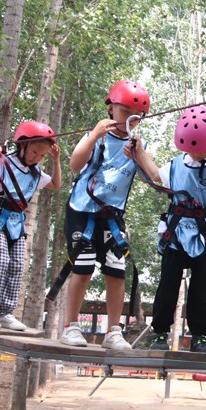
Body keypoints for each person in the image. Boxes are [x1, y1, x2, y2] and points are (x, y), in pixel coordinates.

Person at [132, 105, 206, 353]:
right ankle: (160, 333)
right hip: (176, 232)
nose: (196, 153)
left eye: (200, 148)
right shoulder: (177, 164)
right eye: (192, 148)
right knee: (167, 284)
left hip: (203, 235)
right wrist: (139, 152)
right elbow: (155, 174)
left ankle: (199, 336)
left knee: (202, 288)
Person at [60, 80, 149, 349]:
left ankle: (113, 331)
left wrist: (140, 155)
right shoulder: (96, 137)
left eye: (136, 117)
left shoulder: (134, 145)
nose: (129, 120)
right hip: (82, 212)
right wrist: (94, 136)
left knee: (116, 271)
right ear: (111, 108)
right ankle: (71, 326)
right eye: (125, 112)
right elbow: (75, 164)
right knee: (83, 268)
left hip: (111, 216)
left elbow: (149, 179)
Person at [0, 121, 61, 330]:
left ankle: (6, 312)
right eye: (34, 152)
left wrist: (56, 161)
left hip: (17, 222)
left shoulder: (35, 172)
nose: (37, 158)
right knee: (0, 260)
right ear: (22, 145)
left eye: (42, 156)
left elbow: (55, 185)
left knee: (16, 266)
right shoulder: (5, 162)